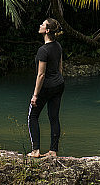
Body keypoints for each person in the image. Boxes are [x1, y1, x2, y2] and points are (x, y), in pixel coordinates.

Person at [27, 18, 65, 158]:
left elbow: (41, 75)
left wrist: (35, 95)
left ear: (47, 30)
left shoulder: (43, 50)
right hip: (59, 84)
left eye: (43, 24)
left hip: (46, 86)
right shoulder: (58, 46)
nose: (40, 25)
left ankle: (36, 151)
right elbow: (60, 67)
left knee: (33, 116)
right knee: (54, 117)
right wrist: (58, 80)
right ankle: (53, 151)